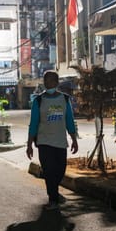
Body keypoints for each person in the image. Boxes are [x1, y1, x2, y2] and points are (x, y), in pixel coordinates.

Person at [26, 70, 78, 210]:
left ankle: (54, 193)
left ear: (56, 82)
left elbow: (69, 121)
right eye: (45, 80)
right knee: (49, 172)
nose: (47, 83)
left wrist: (74, 139)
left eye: (50, 80)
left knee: (60, 171)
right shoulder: (38, 100)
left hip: (60, 142)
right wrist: (29, 144)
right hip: (44, 142)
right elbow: (34, 123)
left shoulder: (65, 99)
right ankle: (53, 199)